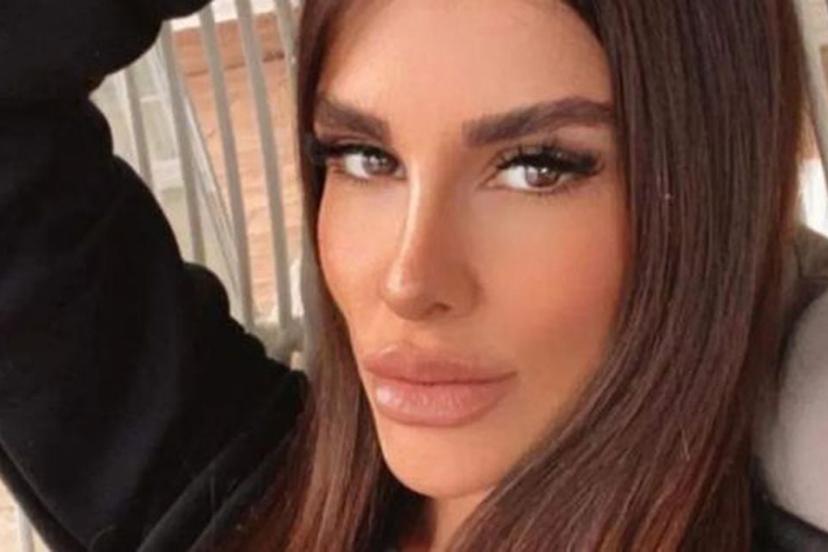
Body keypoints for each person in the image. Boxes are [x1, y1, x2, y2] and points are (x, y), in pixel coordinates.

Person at [1, 0, 827, 550]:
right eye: (364, 157)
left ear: (707, 198)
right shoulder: (215, 494)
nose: (408, 280)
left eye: (537, 168)